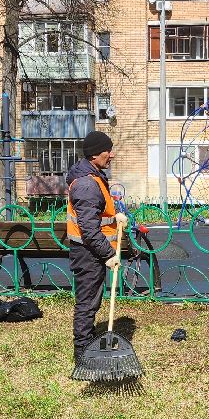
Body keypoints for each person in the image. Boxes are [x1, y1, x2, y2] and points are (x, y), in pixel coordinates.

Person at [65, 131, 127, 364]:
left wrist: (115, 217)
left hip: (91, 251)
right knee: (87, 302)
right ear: (94, 154)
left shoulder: (94, 177)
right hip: (88, 253)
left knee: (92, 299)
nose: (111, 154)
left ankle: (86, 344)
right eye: (107, 150)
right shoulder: (87, 184)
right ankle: (82, 353)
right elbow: (89, 230)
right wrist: (109, 254)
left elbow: (97, 215)